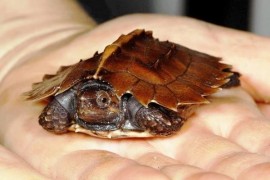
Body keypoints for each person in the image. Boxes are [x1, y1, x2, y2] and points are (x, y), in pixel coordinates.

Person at [0, 0, 270, 179]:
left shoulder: (136, 107)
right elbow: (56, 112)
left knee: (222, 80)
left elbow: (163, 118)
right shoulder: (72, 99)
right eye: (82, 100)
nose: (88, 105)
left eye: (104, 101)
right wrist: (23, 41)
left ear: (117, 101)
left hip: (159, 62)